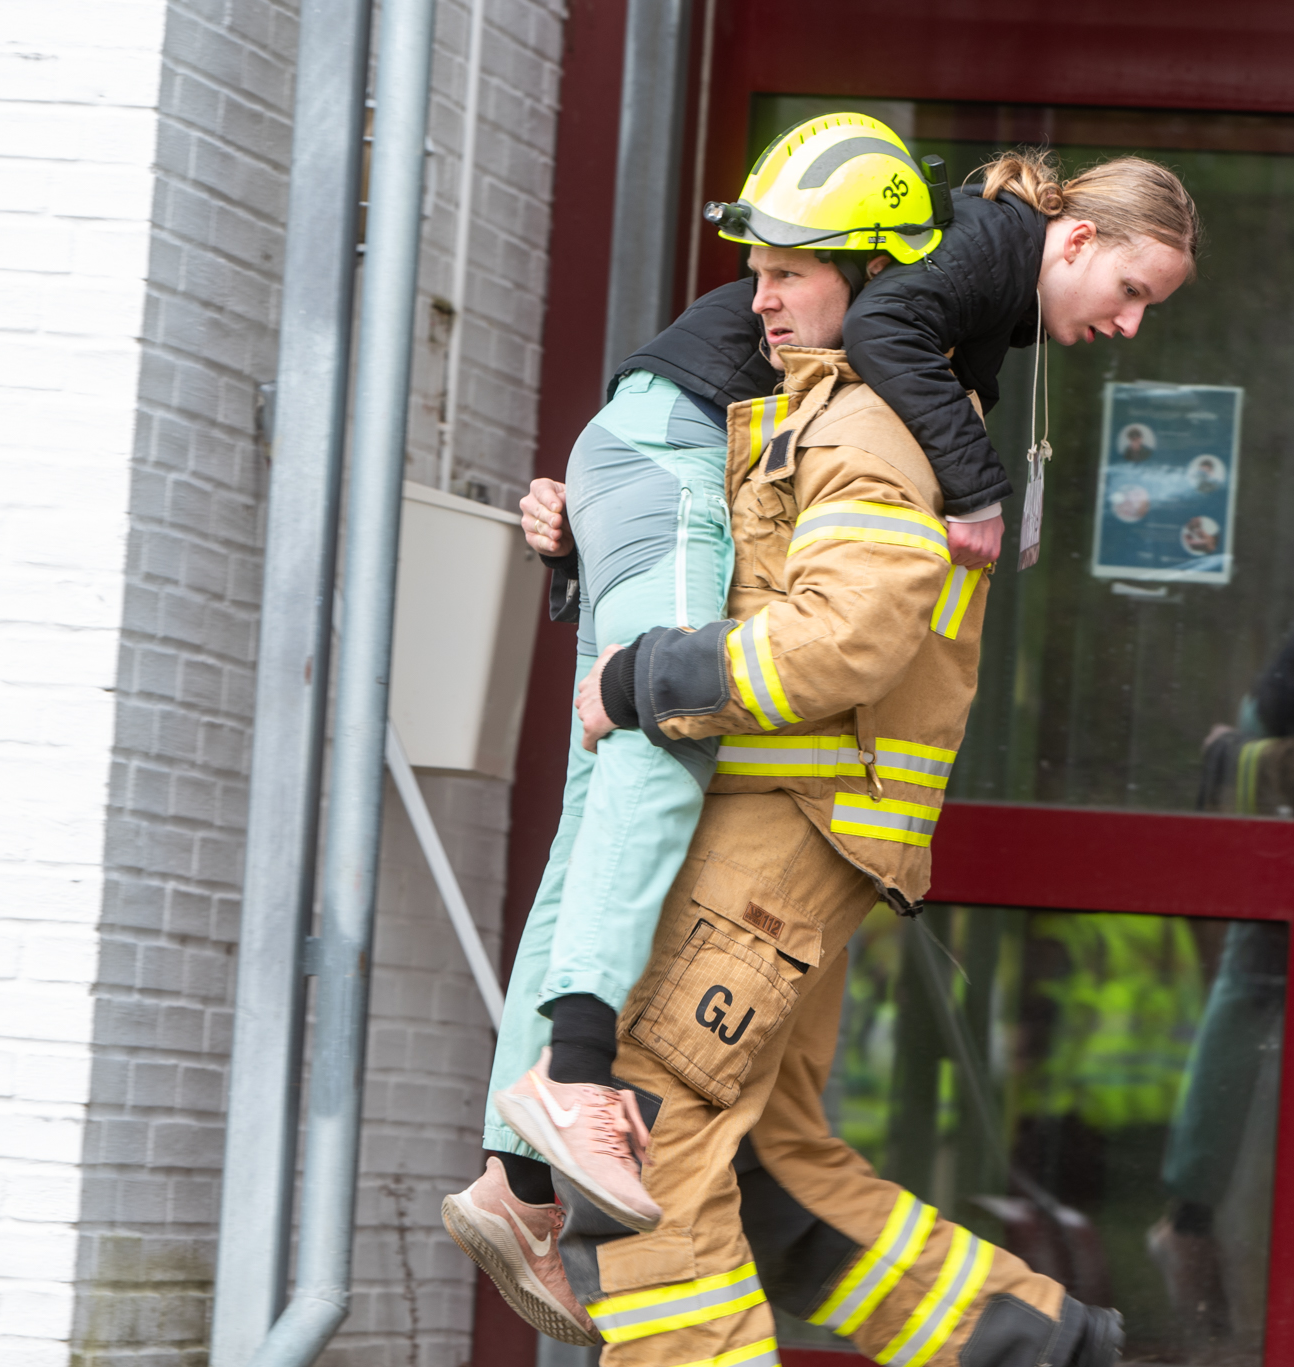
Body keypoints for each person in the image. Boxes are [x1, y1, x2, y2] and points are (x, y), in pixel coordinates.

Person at [443, 113, 1200, 1335]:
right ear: (1070, 238)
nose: (755, 303)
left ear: (862, 273)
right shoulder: (870, 393)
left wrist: (642, 675)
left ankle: (549, 1143)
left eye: (787, 273)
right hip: (805, 844)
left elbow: (840, 635)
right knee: (775, 1169)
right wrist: (597, 514)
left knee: (656, 1147)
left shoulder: (875, 413)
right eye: (1128, 290)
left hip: (781, 849)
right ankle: (1037, 1346)